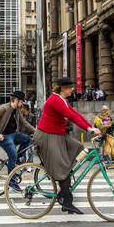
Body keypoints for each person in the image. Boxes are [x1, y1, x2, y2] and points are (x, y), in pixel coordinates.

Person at [34, 77, 102, 214]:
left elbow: (76, 114)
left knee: (78, 147)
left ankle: (66, 175)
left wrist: (90, 127)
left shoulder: (63, 100)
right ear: (62, 88)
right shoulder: (55, 100)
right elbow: (71, 117)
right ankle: (67, 202)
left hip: (58, 134)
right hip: (48, 135)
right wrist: (88, 130)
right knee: (62, 167)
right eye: (70, 87)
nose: (72, 89)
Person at [0, 91, 36, 185]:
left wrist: (37, 132)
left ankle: (17, 157)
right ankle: (12, 181)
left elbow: (24, 123)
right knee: (12, 155)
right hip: (4, 136)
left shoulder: (17, 111)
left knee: (27, 139)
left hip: (13, 135)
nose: (22, 104)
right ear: (16, 100)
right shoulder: (4, 108)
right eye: (21, 102)